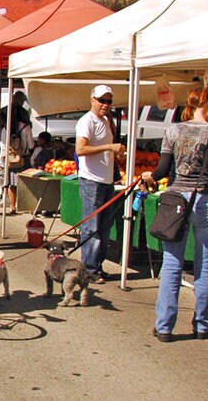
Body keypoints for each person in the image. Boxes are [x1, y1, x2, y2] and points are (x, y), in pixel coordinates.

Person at [141, 86, 208, 342]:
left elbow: (163, 170)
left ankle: (164, 327)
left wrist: (149, 176)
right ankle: (202, 326)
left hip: (177, 201)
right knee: (204, 265)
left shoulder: (173, 131)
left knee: (172, 264)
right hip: (206, 201)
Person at [74, 85, 125, 284]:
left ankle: (97, 267)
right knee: (92, 227)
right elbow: (80, 149)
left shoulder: (106, 121)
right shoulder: (86, 121)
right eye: (102, 100)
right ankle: (89, 270)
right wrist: (109, 147)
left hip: (106, 180)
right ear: (92, 100)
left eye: (109, 101)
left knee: (104, 227)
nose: (105, 105)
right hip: (91, 180)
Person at [0, 91, 34, 214]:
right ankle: (25, 205)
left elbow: (1, 141)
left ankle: (12, 206)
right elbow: (31, 145)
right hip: (22, 157)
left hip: (9, 158)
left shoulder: (5, 127)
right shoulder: (26, 127)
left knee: (10, 183)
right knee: (24, 182)